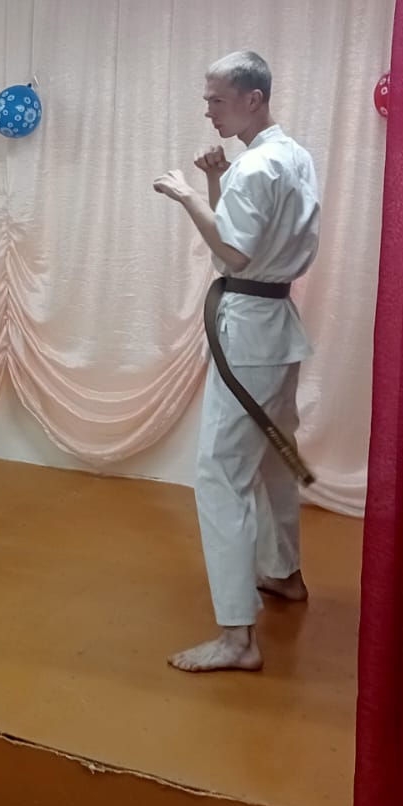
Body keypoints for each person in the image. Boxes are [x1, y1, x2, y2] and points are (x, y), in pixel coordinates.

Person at [153, 50, 320, 672]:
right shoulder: (290, 156)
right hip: (272, 328)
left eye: (217, 100)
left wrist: (185, 195)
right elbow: (251, 234)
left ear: (254, 99)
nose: (209, 111)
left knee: (221, 475)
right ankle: (283, 573)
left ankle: (237, 638)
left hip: (252, 329)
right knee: (273, 458)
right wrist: (216, 184)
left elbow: (235, 254)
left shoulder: (257, 166)